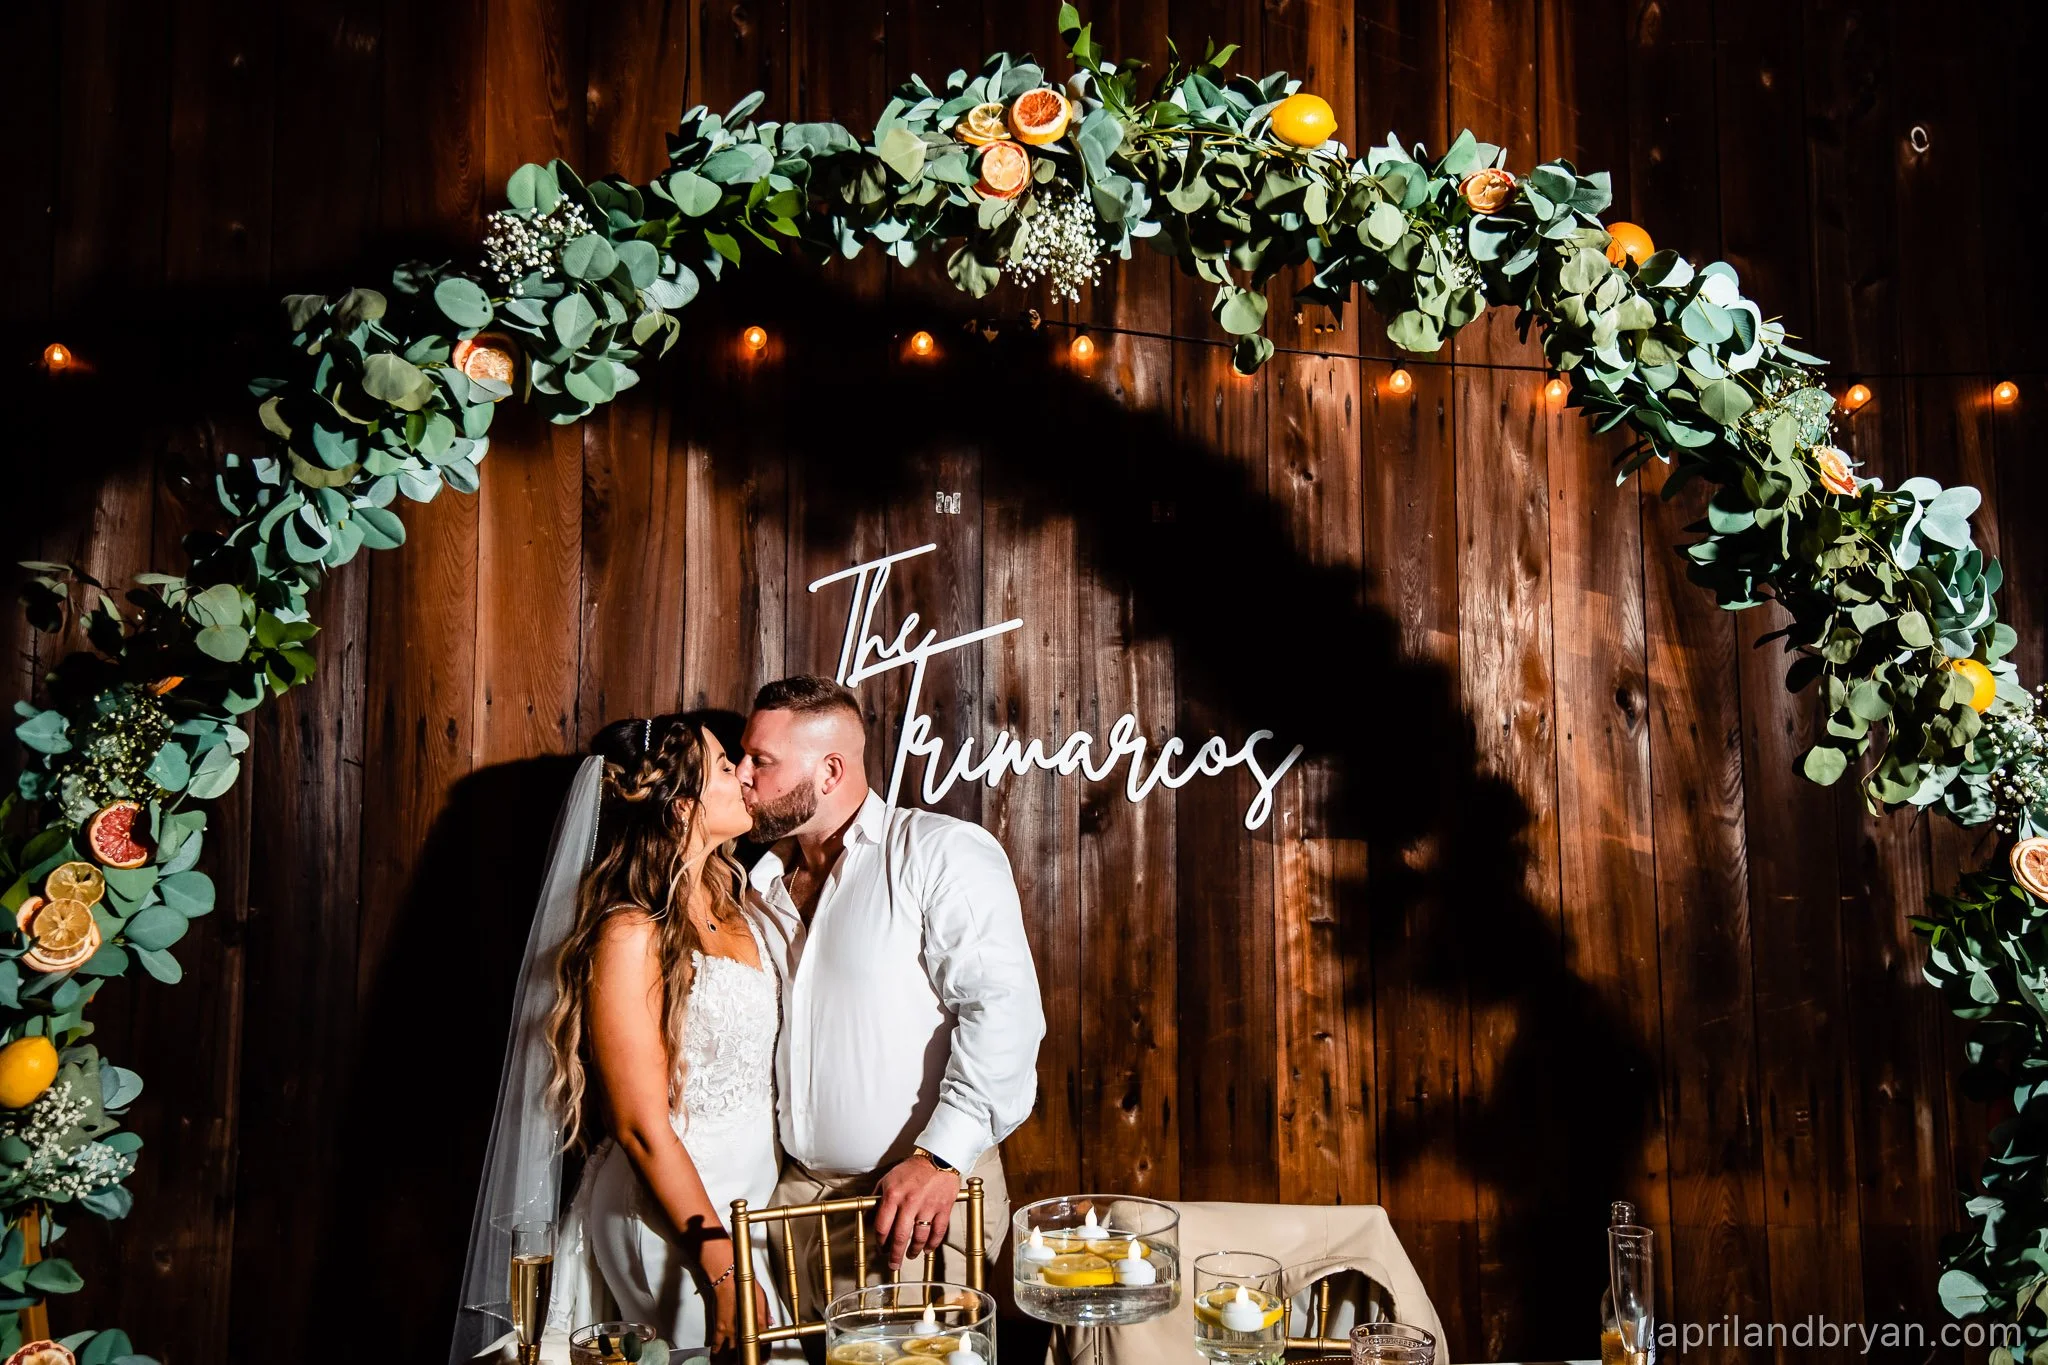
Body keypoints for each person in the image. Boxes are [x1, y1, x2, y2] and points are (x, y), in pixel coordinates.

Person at [452, 712, 800, 1363]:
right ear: (681, 804)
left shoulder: (739, 905)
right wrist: (720, 1259)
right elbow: (641, 1124)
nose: (746, 776)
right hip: (667, 1217)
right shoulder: (631, 931)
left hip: (747, 1207)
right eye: (727, 768)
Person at [738, 675, 1046, 1313]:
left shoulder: (937, 852)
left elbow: (1005, 1013)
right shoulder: (760, 882)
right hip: (791, 1204)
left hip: (912, 1203)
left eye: (760, 761)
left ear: (829, 771)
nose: (742, 774)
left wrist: (939, 1158)